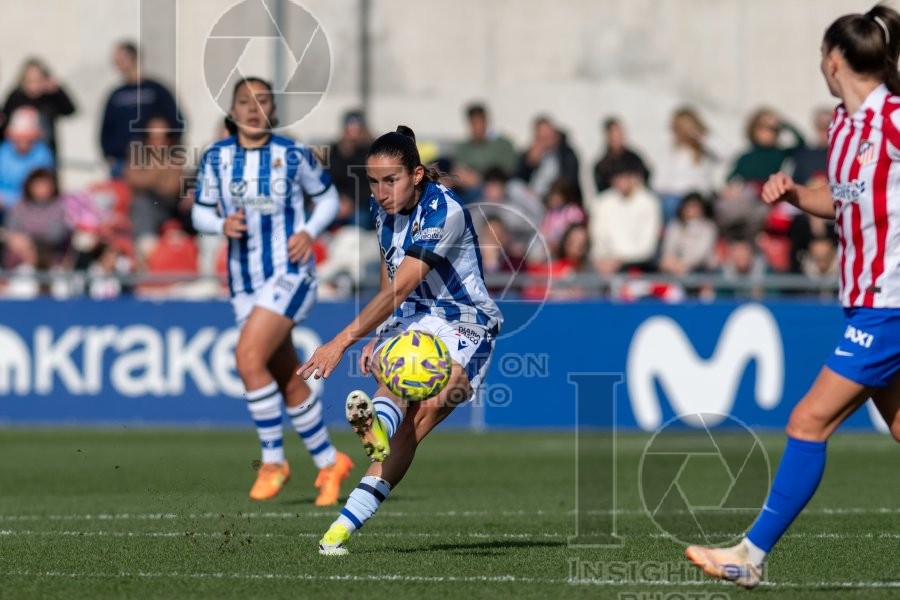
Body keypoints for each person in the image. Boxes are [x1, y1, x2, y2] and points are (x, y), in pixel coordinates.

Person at [686, 5, 900, 588]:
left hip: (890, 305)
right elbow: (844, 199)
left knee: (807, 421)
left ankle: (749, 555)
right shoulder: (845, 126)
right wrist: (796, 195)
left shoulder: (892, 117)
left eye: (820, 56)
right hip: (866, 301)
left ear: (834, 61)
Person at [298, 125, 503, 555]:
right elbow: (388, 270)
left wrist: (341, 341)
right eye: (373, 182)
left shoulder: (444, 211)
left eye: (390, 180)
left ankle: (346, 517)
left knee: (423, 413)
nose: (380, 192)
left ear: (416, 174)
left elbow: (401, 286)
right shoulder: (382, 208)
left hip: (465, 322)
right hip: (412, 317)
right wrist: (381, 332)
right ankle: (374, 431)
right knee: (395, 384)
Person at [191, 77, 353, 505]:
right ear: (233, 110)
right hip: (244, 281)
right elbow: (200, 212)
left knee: (247, 358)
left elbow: (329, 199)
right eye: (245, 101)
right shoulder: (217, 157)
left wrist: (309, 230)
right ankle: (329, 462)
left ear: (274, 111)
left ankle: (274, 461)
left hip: (289, 272)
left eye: (262, 100)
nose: (253, 108)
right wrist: (220, 224)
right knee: (284, 375)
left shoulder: (293, 154)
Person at [100, 41, 183, 179]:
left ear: (131, 57)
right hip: (121, 163)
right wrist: (109, 155)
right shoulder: (116, 94)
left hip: (152, 163)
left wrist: (168, 153)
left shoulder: (156, 90)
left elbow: (177, 122)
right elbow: (106, 128)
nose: (115, 63)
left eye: (119, 59)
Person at [1, 58, 76, 159]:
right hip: (16, 157)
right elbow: (4, 122)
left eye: (37, 80)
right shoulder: (16, 97)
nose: (33, 85)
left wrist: (58, 91)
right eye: (29, 80)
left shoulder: (50, 98)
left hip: (45, 155)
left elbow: (70, 111)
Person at [593, 117, 651, 194]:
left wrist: (633, 182)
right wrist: (616, 184)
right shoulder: (602, 165)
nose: (617, 137)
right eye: (613, 134)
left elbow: (645, 176)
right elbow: (601, 189)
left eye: (619, 133)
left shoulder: (634, 158)